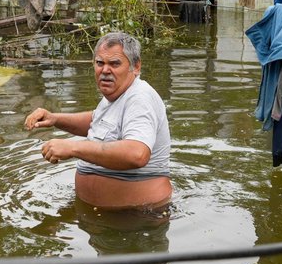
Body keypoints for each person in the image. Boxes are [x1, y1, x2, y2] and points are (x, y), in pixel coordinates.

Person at [24, 32, 172, 209]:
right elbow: (98, 121)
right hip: (100, 217)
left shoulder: (139, 98)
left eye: (115, 64)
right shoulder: (116, 95)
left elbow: (137, 154)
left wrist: (72, 147)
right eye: (100, 63)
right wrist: (55, 118)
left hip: (137, 218)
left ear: (136, 66)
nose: (105, 70)